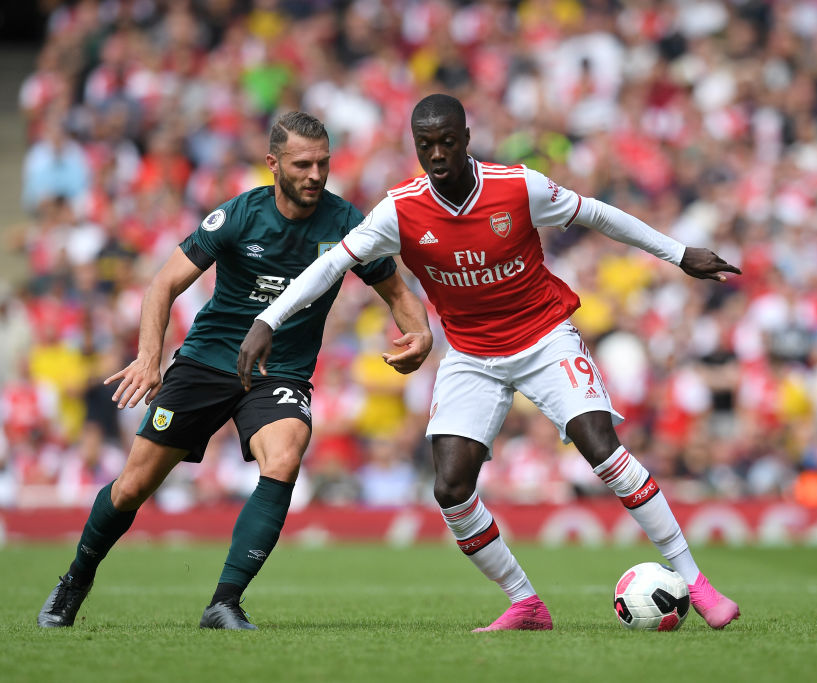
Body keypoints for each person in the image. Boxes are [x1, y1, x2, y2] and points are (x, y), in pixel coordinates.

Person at [239, 94, 742, 631]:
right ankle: (526, 603)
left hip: (545, 337)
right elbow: (331, 265)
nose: (437, 154)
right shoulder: (400, 211)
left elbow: (596, 213)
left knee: (601, 448)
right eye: (426, 145)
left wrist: (679, 253)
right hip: (472, 354)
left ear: (466, 139)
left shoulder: (517, 187)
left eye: (447, 142)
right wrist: (269, 319)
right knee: (450, 489)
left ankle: (696, 581)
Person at [37, 111, 433, 629]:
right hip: (207, 362)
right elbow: (163, 284)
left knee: (285, 455)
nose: (316, 175)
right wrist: (149, 357)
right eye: (303, 164)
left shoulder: (346, 224)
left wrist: (421, 334)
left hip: (280, 371)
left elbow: (397, 291)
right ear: (273, 164)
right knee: (133, 486)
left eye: (323, 163)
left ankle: (224, 602)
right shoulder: (239, 216)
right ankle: (75, 580)